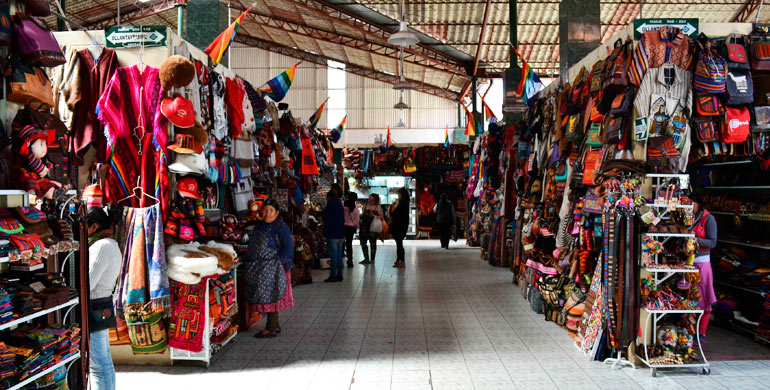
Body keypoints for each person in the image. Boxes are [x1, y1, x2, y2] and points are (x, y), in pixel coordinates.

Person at [244, 199, 295, 338]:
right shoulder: (259, 225)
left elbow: (288, 247)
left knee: (273, 296)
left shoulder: (280, 227)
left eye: (271, 210)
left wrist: (280, 264)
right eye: (265, 210)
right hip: (261, 267)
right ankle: (275, 325)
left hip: (274, 267)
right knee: (268, 295)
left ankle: (271, 328)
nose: (267, 213)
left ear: (277, 213)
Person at [87, 205, 122, 390]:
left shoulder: (102, 246)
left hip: (95, 307)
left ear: (93, 227)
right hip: (101, 306)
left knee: (98, 365)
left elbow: (89, 282)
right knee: (103, 362)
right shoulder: (110, 244)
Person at [688, 190, 717, 345]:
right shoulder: (687, 218)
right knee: (689, 298)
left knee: (704, 299)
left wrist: (694, 240)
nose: (689, 207)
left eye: (691, 203)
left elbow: (712, 242)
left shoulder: (708, 219)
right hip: (688, 264)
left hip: (702, 264)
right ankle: (689, 330)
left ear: (698, 203)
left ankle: (701, 332)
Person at [324, 190, 346, 282]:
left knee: (333, 256)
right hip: (341, 233)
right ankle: (339, 274)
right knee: (339, 255)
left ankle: (332, 275)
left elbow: (328, 220)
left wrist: (325, 232)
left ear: (329, 197)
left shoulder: (330, 205)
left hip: (333, 234)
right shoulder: (340, 204)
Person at [359, 194, 384, 265]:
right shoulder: (366, 205)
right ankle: (366, 258)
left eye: (371, 200)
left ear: (375, 201)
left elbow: (382, 218)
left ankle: (372, 259)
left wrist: (374, 216)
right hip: (364, 227)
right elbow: (363, 214)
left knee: (372, 243)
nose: (369, 200)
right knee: (363, 242)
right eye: (369, 199)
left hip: (373, 228)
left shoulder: (378, 207)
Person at [389, 187, 410, 268]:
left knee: (399, 245)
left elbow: (394, 214)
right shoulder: (403, 204)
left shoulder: (402, 205)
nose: (398, 196)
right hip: (400, 226)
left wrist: (394, 207)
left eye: (399, 195)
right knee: (399, 244)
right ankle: (398, 260)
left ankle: (402, 261)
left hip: (399, 227)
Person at [343, 192, 360, 268]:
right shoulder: (355, 209)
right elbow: (357, 221)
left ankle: (340, 259)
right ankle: (350, 261)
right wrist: (356, 227)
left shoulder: (342, 204)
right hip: (351, 228)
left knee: (341, 243)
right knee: (349, 244)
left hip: (343, 226)